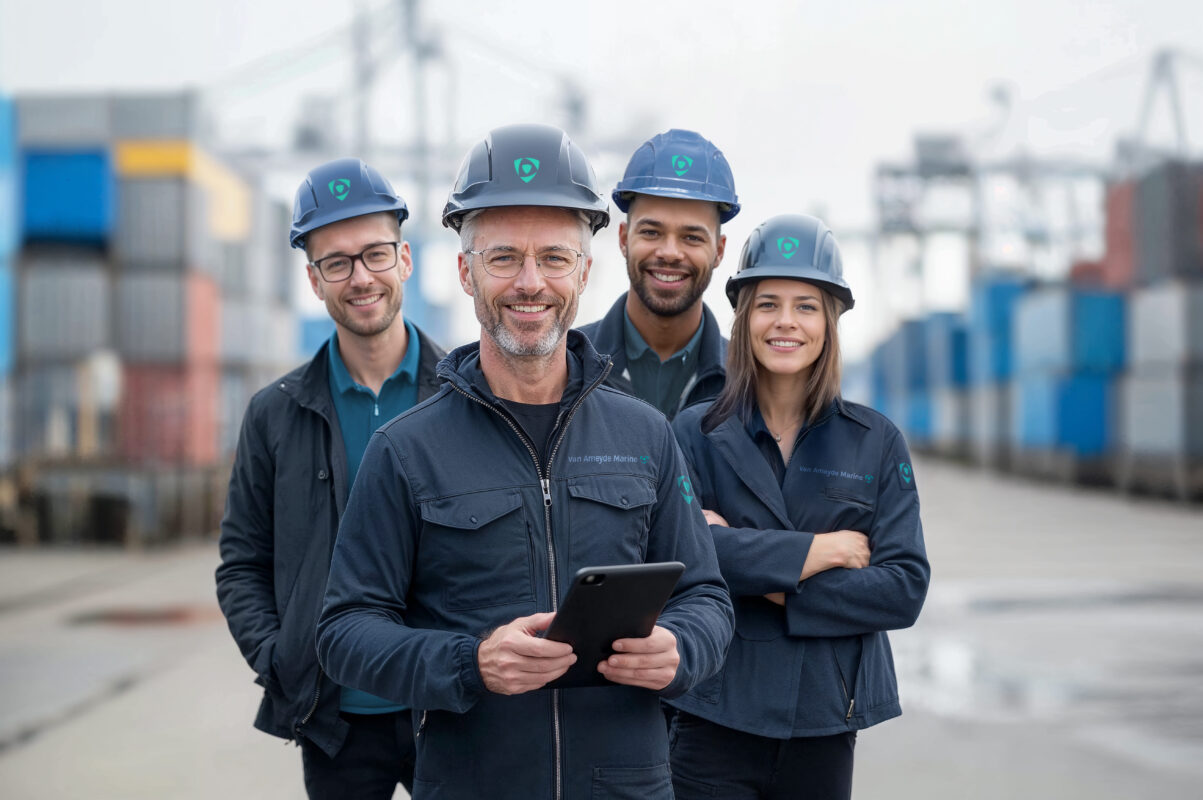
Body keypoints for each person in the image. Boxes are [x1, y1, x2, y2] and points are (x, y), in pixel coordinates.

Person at [315, 123, 734, 800]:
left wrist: (681, 648)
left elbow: (707, 599)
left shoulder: (647, 435)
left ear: (585, 271)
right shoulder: (407, 449)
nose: (530, 283)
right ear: (465, 271)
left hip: (625, 785)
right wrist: (468, 662)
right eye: (504, 257)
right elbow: (344, 633)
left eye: (554, 259)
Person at [666, 214, 931, 800]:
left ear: (831, 321)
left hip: (824, 715)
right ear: (743, 318)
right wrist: (820, 551)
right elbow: (684, 557)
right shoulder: (694, 434)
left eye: (807, 306)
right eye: (768, 305)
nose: (786, 322)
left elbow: (903, 587)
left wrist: (759, 573)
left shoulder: (875, 440)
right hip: (716, 710)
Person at [215, 158, 446, 799]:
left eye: (374, 254)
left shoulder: (466, 395)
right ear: (314, 280)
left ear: (404, 258)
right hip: (335, 721)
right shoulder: (275, 413)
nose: (360, 277)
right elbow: (242, 561)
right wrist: (279, 656)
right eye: (337, 262)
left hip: (452, 708)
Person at [575, 129, 739, 420]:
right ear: (624, 239)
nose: (670, 252)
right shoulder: (567, 369)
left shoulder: (750, 383)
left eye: (692, 237)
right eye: (651, 232)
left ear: (719, 251)